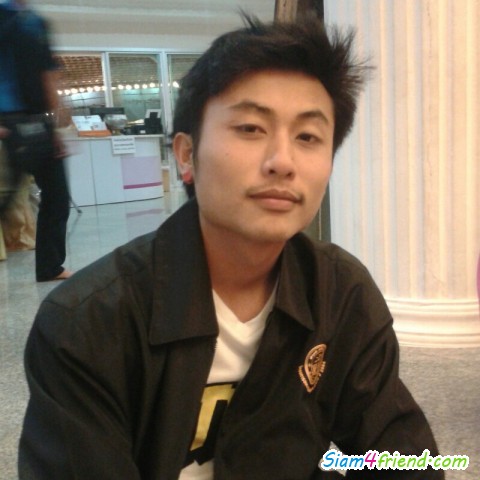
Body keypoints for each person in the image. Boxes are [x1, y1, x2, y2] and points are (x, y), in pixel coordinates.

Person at [19, 14, 444, 480]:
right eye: (250, 128)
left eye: (308, 137)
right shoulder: (89, 324)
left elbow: (403, 455)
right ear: (186, 155)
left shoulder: (339, 293)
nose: (282, 162)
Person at [0, 0, 71, 281]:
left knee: (56, 196)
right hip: (13, 121)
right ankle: (50, 266)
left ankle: (50, 266)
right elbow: (47, 75)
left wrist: (53, 128)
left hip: (35, 123)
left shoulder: (34, 21)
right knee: (9, 201)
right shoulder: (23, 21)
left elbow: (47, 75)